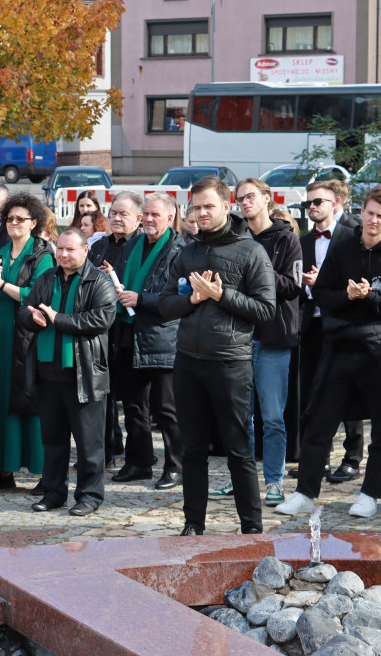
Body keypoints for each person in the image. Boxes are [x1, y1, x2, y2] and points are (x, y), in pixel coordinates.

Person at [277, 186, 381, 518]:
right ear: (360, 212)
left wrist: (368, 298)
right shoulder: (343, 248)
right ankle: (305, 492)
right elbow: (322, 293)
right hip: (338, 347)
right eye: (370, 213)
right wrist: (349, 298)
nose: (374, 220)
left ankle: (370, 494)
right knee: (319, 422)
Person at [160, 175, 276, 536]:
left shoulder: (251, 250)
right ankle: (193, 524)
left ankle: (252, 528)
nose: (202, 213)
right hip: (188, 362)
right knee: (192, 449)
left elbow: (266, 310)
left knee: (238, 451)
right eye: (196, 207)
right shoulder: (187, 252)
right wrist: (192, 299)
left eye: (209, 205)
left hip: (230, 362)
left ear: (228, 206)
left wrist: (219, 295)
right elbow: (164, 305)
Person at [20, 228, 117, 515]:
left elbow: (102, 318)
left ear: (85, 251)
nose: (63, 254)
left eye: (70, 249)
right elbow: (24, 309)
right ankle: (53, 493)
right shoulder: (47, 278)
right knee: (53, 441)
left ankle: (89, 496)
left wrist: (57, 319)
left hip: (84, 375)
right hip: (48, 374)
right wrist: (31, 315)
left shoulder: (99, 280)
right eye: (59, 249)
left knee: (90, 445)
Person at [0, 193, 55, 490]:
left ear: (34, 222)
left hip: (27, 337)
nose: (14, 223)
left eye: (21, 219)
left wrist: (2, 284)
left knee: (28, 401)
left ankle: (45, 473)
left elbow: (36, 296)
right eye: (10, 219)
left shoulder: (43, 256)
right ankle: (2, 471)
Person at [108, 193, 186, 490]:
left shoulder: (180, 250)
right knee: (133, 406)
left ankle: (175, 466)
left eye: (156, 215)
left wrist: (141, 299)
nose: (149, 220)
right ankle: (139, 462)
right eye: (147, 215)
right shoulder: (130, 246)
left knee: (166, 409)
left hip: (162, 335)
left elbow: (181, 296)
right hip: (128, 331)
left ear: (170, 217)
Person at [235, 177, 303, 506]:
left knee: (273, 416)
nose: (244, 203)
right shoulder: (235, 236)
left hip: (274, 338)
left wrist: (256, 269)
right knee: (240, 416)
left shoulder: (286, 239)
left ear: (266, 199)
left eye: (250, 197)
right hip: (238, 337)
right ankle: (242, 481)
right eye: (239, 199)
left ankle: (274, 482)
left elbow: (293, 286)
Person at [293, 181, 360, 486]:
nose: (312, 207)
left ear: (334, 203)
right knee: (311, 393)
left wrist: (324, 283)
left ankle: (352, 459)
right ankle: (316, 459)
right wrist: (306, 287)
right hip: (312, 325)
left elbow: (359, 280)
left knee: (350, 392)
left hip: (345, 324)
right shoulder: (304, 242)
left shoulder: (351, 237)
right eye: (308, 203)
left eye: (318, 201)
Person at [89, 191, 144, 463]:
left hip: (130, 329)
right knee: (102, 392)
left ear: (139, 218)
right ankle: (108, 450)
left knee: (133, 401)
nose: (117, 218)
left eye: (123, 214)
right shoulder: (99, 246)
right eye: (113, 213)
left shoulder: (141, 246)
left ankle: (138, 457)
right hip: (101, 329)